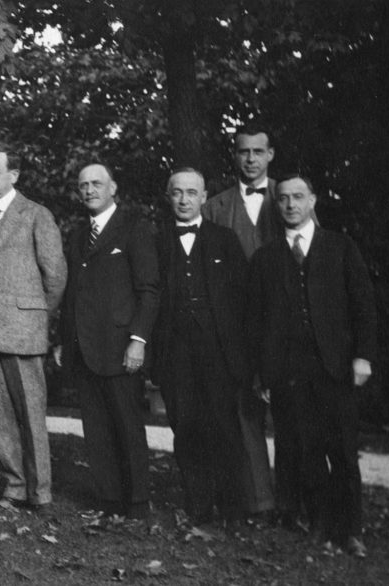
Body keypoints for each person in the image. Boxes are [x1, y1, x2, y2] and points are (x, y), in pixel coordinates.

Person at [247, 175, 376, 557]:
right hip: (290, 373)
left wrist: (363, 356)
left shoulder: (339, 247)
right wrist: (263, 372)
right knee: (307, 451)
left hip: (335, 368)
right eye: (283, 198)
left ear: (312, 201)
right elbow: (255, 321)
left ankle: (351, 530)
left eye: (298, 197)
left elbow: (363, 305)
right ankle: (321, 524)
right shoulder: (266, 258)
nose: (290, 205)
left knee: (344, 452)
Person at [0, 146, 66, 510]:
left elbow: (55, 276)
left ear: (14, 176)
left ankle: (40, 492)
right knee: (0, 417)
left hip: (24, 331)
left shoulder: (36, 215)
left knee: (31, 416)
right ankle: (14, 487)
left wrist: (33, 316)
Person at [58, 163, 159, 519]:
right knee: (97, 429)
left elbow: (148, 290)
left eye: (96, 184)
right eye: (83, 185)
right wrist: (63, 340)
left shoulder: (134, 229)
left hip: (121, 348)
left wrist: (138, 339)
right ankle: (108, 499)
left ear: (113, 187)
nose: (89, 190)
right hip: (85, 347)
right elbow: (73, 293)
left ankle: (137, 502)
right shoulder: (76, 235)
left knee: (127, 427)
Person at [151, 168, 250, 526]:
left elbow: (243, 300)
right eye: (176, 192)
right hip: (175, 352)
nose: (183, 199)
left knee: (224, 427)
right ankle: (198, 506)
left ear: (204, 197)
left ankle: (233, 508)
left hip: (219, 353)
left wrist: (241, 354)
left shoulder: (224, 240)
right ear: (168, 196)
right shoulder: (157, 241)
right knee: (186, 429)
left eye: (191, 193)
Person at [200, 124, 283, 518]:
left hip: (283, 322)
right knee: (242, 410)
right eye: (243, 151)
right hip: (234, 326)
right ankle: (256, 500)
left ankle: (298, 501)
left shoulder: (290, 196)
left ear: (270, 155)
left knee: (294, 413)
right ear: (234, 156)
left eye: (257, 151)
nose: (250, 159)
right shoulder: (215, 206)